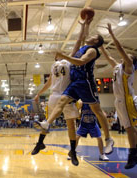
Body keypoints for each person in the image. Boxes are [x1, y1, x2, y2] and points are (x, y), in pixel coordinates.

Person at [36, 16, 114, 155]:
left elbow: (80, 62)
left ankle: (108, 139)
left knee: (97, 111)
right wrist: (84, 25)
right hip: (75, 84)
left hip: (86, 83)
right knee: (62, 101)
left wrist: (64, 56)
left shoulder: (92, 51)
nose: (89, 36)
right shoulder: (84, 47)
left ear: (96, 41)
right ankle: (47, 124)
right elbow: (82, 38)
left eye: (93, 36)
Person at [31, 19, 90, 166]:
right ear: (57, 57)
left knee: (55, 124)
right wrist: (39, 93)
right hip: (60, 96)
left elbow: (78, 42)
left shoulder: (61, 63)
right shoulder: (61, 64)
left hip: (59, 96)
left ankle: (48, 145)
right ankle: (65, 150)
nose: (63, 53)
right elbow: (49, 82)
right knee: (59, 124)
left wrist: (83, 27)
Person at [100, 23, 137, 169]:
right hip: (119, 101)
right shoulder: (117, 67)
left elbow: (120, 49)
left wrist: (112, 34)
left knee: (129, 128)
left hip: (126, 100)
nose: (125, 56)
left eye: (129, 56)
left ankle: (132, 155)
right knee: (130, 127)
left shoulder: (129, 66)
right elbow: (108, 56)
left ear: (132, 61)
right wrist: (100, 45)